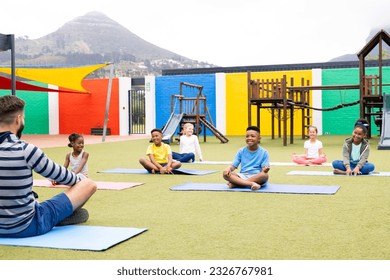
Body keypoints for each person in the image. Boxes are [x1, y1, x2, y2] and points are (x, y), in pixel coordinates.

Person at [0, 95, 97, 238]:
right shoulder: (26, 150)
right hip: (27, 226)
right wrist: (80, 178)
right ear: (18, 119)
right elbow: (67, 178)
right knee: (88, 184)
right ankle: (59, 217)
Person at [223, 126, 270, 190]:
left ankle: (237, 184)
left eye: (253, 136)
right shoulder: (241, 151)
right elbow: (233, 166)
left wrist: (265, 170)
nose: (249, 138)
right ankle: (251, 184)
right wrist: (228, 169)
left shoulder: (264, 152)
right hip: (242, 175)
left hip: (257, 176)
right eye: (247, 136)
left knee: (264, 176)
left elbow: (264, 169)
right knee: (226, 174)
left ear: (259, 138)